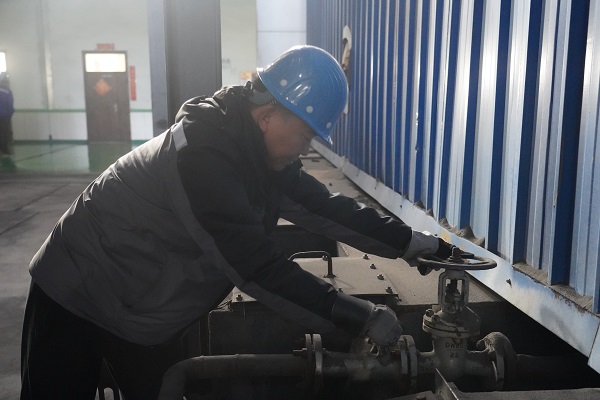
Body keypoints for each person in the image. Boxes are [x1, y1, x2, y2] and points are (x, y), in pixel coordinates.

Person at [20, 45, 455, 400]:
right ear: (267, 117)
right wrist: (360, 315)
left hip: (140, 311)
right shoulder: (201, 157)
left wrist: (414, 243)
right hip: (76, 293)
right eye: (305, 135)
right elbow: (254, 266)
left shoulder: (256, 155)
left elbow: (325, 207)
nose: (306, 149)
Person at [0, 72, 14, 155]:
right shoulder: (7, 92)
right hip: (5, 115)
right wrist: (10, 113)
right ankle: (5, 149)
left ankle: (2, 149)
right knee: (5, 132)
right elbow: (10, 104)